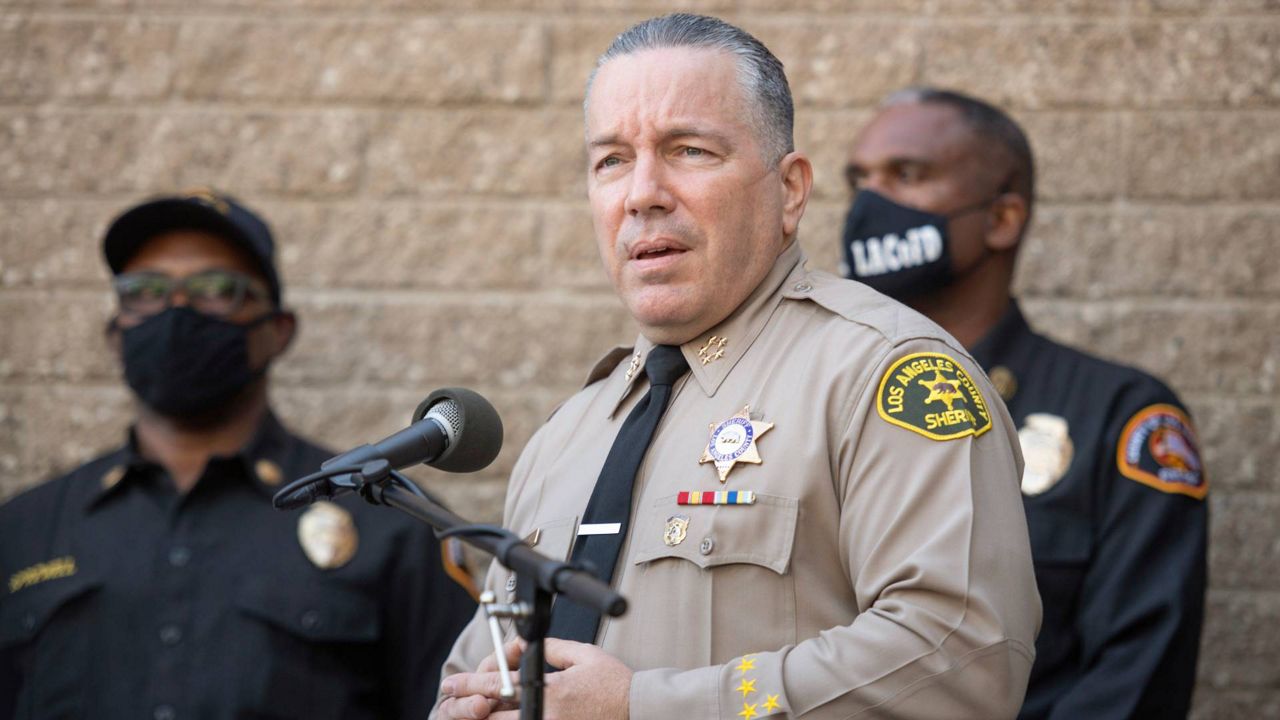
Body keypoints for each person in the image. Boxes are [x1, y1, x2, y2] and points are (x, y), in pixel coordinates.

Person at [434, 14, 1040, 720]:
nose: (642, 193)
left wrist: (643, 708)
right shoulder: (570, 434)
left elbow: (961, 657)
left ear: (789, 193)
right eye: (611, 161)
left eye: (688, 150)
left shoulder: (885, 376)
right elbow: (470, 671)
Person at [0, 189, 477, 720]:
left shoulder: (390, 522)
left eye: (216, 289)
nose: (176, 309)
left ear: (277, 330)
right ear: (115, 331)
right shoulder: (23, 532)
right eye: (145, 289)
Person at [840, 88, 1207, 719]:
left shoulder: (1120, 418)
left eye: (907, 175)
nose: (871, 206)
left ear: (1002, 218)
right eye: (859, 181)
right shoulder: (824, 403)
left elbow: (1135, 682)